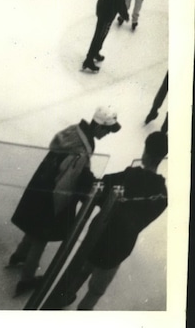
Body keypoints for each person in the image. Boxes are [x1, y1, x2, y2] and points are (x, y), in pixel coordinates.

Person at [45, 131, 168, 310]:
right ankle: (83, 311)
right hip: (118, 248)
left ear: (145, 152)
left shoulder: (127, 177)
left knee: (80, 273)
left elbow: (96, 190)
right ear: (163, 156)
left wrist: (83, 170)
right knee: (96, 291)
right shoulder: (161, 195)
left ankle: (61, 301)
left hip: (97, 238)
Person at [7, 107, 121, 296]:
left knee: (33, 229)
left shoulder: (74, 131)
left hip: (40, 187)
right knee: (41, 238)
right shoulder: (82, 149)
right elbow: (69, 179)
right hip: (51, 196)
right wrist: (86, 191)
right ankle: (26, 279)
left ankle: (19, 255)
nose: (107, 134)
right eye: (107, 130)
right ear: (99, 127)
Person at [81, 0, 128, 73]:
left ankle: (95, 52)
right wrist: (124, 13)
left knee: (101, 34)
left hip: (103, 7)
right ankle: (89, 59)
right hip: (108, 11)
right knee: (100, 35)